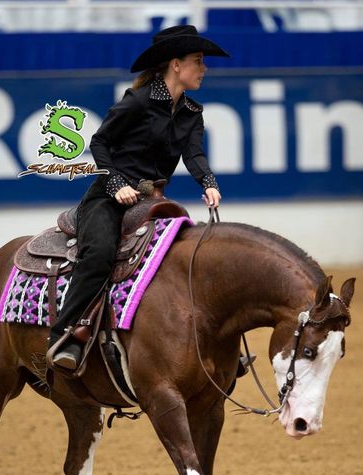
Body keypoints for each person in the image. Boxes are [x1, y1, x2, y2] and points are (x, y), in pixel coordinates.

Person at [47, 24, 230, 370]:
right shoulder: (139, 101)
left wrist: (208, 182)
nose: (204, 69)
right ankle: (65, 335)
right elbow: (99, 142)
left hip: (152, 200)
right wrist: (116, 183)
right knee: (99, 252)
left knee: (185, 257)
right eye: (198, 61)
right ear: (175, 64)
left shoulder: (192, 112)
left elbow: (194, 154)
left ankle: (204, 342)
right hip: (107, 196)